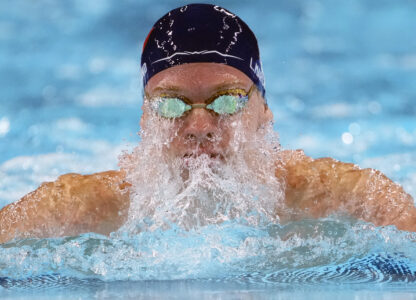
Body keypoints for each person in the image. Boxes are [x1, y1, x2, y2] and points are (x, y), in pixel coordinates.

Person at [0, 3, 415, 243]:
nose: (199, 124)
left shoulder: (344, 198)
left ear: (264, 114)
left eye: (228, 99)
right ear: (145, 121)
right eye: (171, 105)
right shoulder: (84, 208)